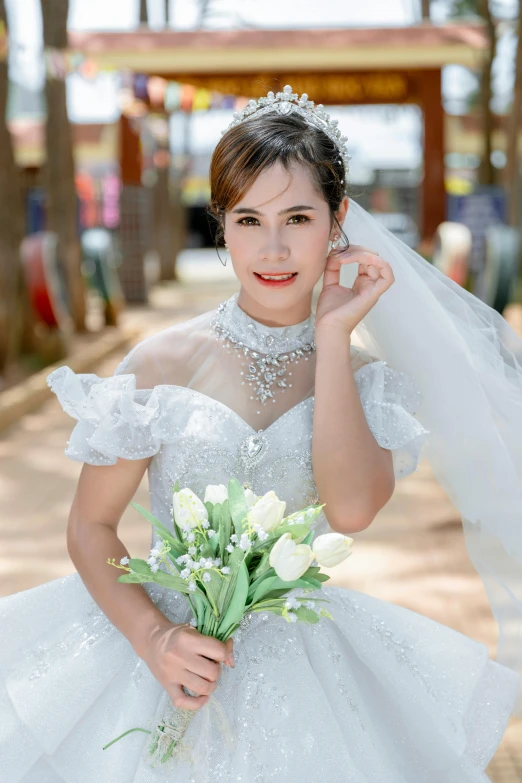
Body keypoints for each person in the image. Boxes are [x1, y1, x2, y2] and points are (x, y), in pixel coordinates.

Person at [1, 86, 521, 782]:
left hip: (303, 669)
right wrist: (154, 636)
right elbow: (90, 526)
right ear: (222, 224)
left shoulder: (364, 376)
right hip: (156, 654)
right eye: (248, 218)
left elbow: (353, 510)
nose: (272, 247)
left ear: (337, 221)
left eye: (298, 217)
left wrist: (332, 335)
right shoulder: (159, 363)